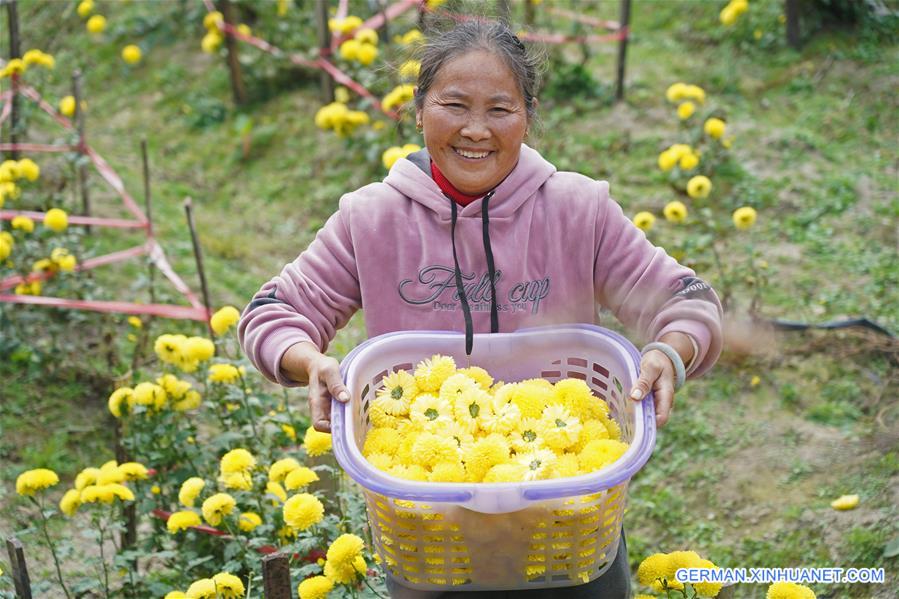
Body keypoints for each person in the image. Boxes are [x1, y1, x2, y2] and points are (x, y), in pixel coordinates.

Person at [239, 19, 723, 599]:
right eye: (453, 105)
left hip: (567, 525)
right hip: (429, 537)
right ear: (419, 109)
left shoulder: (579, 209)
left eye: (500, 109)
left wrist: (672, 350)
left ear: (528, 113)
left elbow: (686, 299)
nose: (476, 130)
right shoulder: (370, 220)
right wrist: (306, 361)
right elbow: (272, 312)